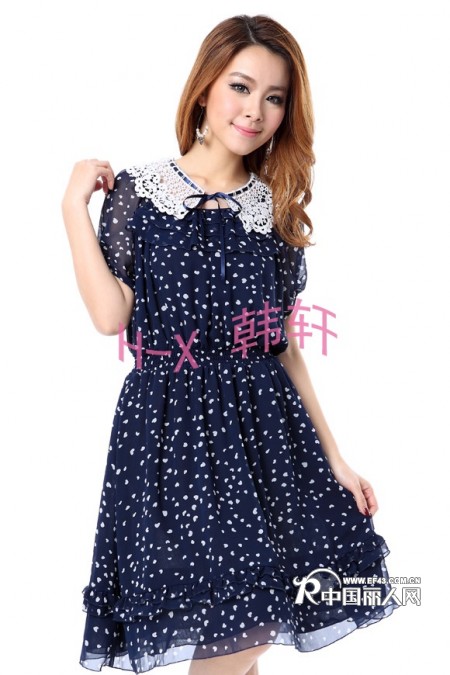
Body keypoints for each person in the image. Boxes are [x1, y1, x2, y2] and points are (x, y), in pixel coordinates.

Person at [62, 14, 399, 675]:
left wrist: (335, 456)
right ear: (204, 89)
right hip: (169, 433)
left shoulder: (273, 208)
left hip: (265, 432)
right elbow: (109, 316)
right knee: (229, 623)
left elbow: (282, 345)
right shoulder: (138, 194)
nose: (255, 110)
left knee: (258, 614)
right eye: (241, 87)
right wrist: (73, 207)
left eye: (275, 97)